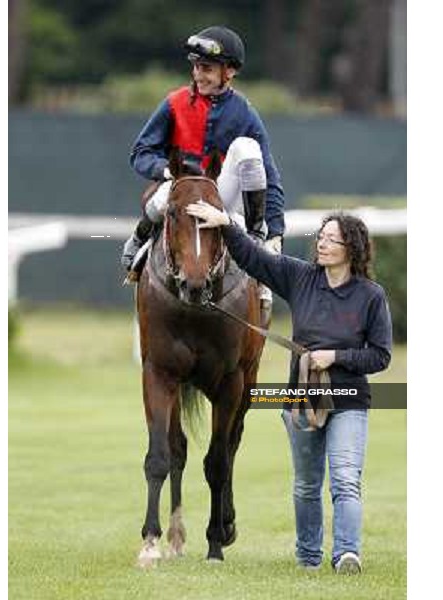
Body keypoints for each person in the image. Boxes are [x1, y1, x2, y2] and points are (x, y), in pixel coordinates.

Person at [184, 202, 393, 575]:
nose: (322, 244)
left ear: (352, 249)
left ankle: (347, 554)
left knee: (345, 479)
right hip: (299, 399)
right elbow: (254, 258)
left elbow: (380, 356)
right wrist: (226, 224)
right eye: (321, 237)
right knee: (306, 485)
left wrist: (336, 357)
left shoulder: (371, 296)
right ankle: (308, 557)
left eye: (332, 239)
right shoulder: (300, 277)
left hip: (348, 401)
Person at [121, 25, 285, 313]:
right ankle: (139, 239)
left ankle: (257, 237)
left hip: (221, 194)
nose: (198, 75)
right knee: (160, 199)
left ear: (230, 71)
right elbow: (140, 152)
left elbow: (269, 175)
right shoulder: (173, 103)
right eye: (196, 67)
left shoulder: (244, 112)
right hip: (179, 186)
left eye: (207, 68)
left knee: (247, 149)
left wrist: (276, 231)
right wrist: (164, 171)